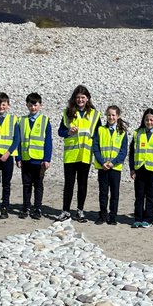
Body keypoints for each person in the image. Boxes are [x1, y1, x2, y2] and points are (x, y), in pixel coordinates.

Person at [58, 84, 99, 222]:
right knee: (69, 183)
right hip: (70, 154)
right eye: (78, 97)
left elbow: (98, 134)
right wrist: (68, 132)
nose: (80, 100)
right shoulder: (67, 112)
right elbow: (60, 132)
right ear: (74, 99)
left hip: (85, 154)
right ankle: (65, 211)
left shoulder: (94, 114)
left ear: (87, 99)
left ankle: (80, 211)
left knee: (82, 183)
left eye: (83, 97)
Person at [16, 92, 52, 220]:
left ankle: (37, 208)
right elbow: (18, 141)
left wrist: (47, 159)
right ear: (27, 105)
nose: (33, 108)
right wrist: (18, 158)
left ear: (40, 105)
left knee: (38, 185)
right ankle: (26, 207)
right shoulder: (21, 120)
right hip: (26, 159)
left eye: (35, 105)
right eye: (30, 105)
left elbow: (48, 141)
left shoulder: (45, 120)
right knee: (26, 185)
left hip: (39, 160)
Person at [94, 105, 129, 225]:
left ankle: (112, 216)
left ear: (118, 116)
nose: (111, 117)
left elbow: (123, 151)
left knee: (115, 193)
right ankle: (103, 215)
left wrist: (113, 163)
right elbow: (96, 148)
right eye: (109, 115)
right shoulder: (100, 130)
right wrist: (102, 162)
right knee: (103, 192)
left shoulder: (122, 132)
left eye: (113, 115)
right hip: (102, 167)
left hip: (115, 168)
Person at [130, 108, 153, 228]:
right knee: (139, 196)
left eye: (151, 120)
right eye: (146, 120)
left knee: (150, 196)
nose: (149, 122)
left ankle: (148, 219)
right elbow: (132, 152)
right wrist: (132, 169)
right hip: (139, 168)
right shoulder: (137, 133)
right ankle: (138, 218)